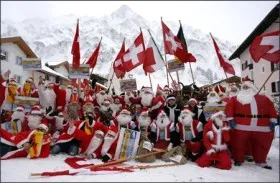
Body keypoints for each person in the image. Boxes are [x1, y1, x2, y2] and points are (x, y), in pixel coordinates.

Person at [225, 77, 278, 169]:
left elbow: (271, 108)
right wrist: (230, 119)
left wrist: (273, 119)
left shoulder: (264, 98)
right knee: (238, 144)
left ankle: (261, 160)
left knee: (261, 144)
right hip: (241, 126)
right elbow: (229, 108)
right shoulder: (235, 99)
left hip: (261, 126)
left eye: (247, 87)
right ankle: (238, 159)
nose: (245, 89)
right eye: (244, 87)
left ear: (253, 88)